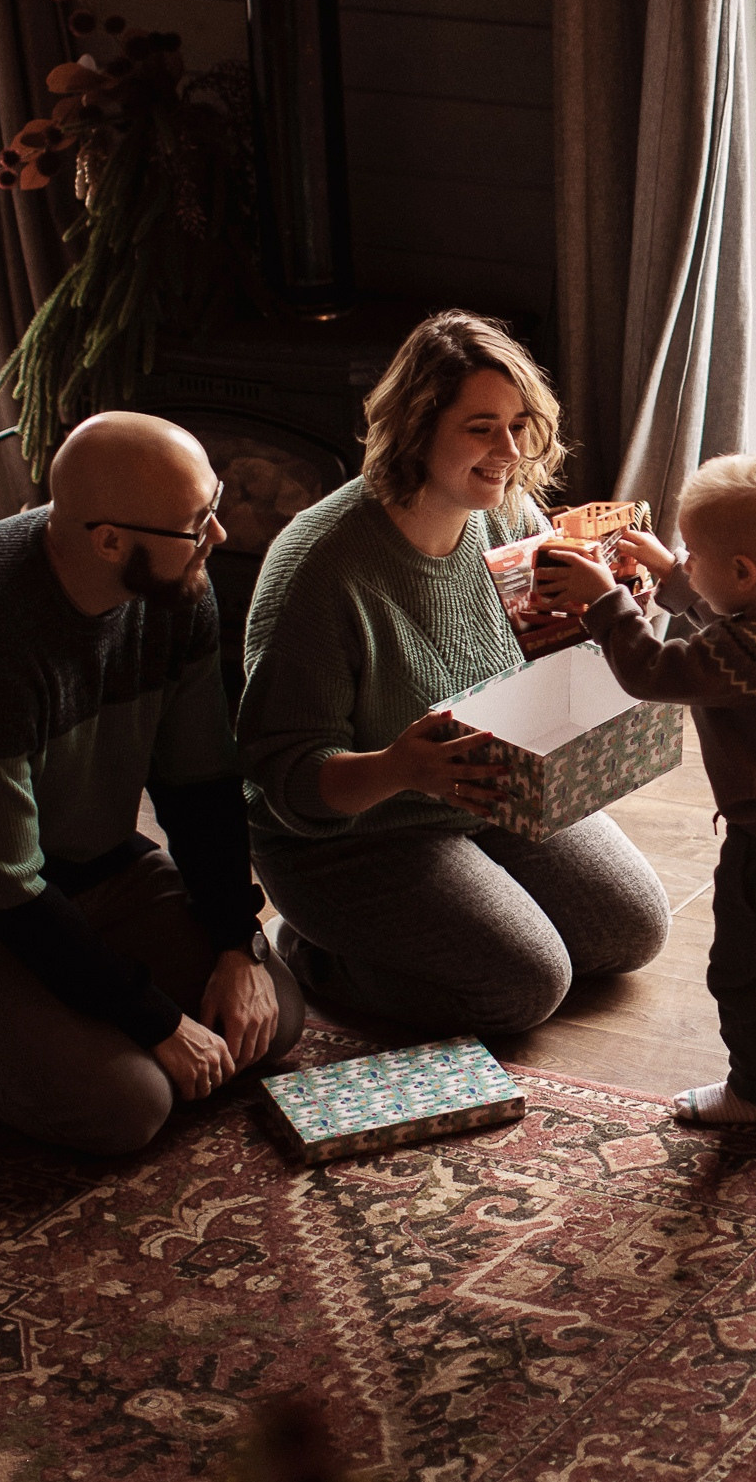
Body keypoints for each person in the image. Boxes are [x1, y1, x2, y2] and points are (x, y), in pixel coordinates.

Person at [0, 412, 304, 1155]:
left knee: (274, 1020)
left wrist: (236, 943)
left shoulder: (177, 585)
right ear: (108, 541)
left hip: (83, 861)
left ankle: (60, 1016)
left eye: (212, 506)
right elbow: (4, 888)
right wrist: (156, 1022)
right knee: (127, 1106)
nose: (219, 534)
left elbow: (200, 785)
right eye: (195, 522)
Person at [237, 310, 670, 1035]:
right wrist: (398, 767)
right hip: (351, 838)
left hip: (486, 794)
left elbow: (552, 670)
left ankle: (466, 897)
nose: (510, 451)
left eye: (519, 424)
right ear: (415, 428)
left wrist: (615, 613)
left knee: (632, 930)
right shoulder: (320, 570)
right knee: (527, 986)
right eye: (481, 428)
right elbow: (284, 779)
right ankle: (311, 950)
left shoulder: (506, 515)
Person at [536, 453, 756, 1125]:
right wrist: (672, 575)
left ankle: (753, 1093)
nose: (685, 561)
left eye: (693, 555)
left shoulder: (743, 653)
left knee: (740, 972)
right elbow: (729, 624)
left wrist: (607, 600)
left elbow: (654, 670)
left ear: (741, 571)